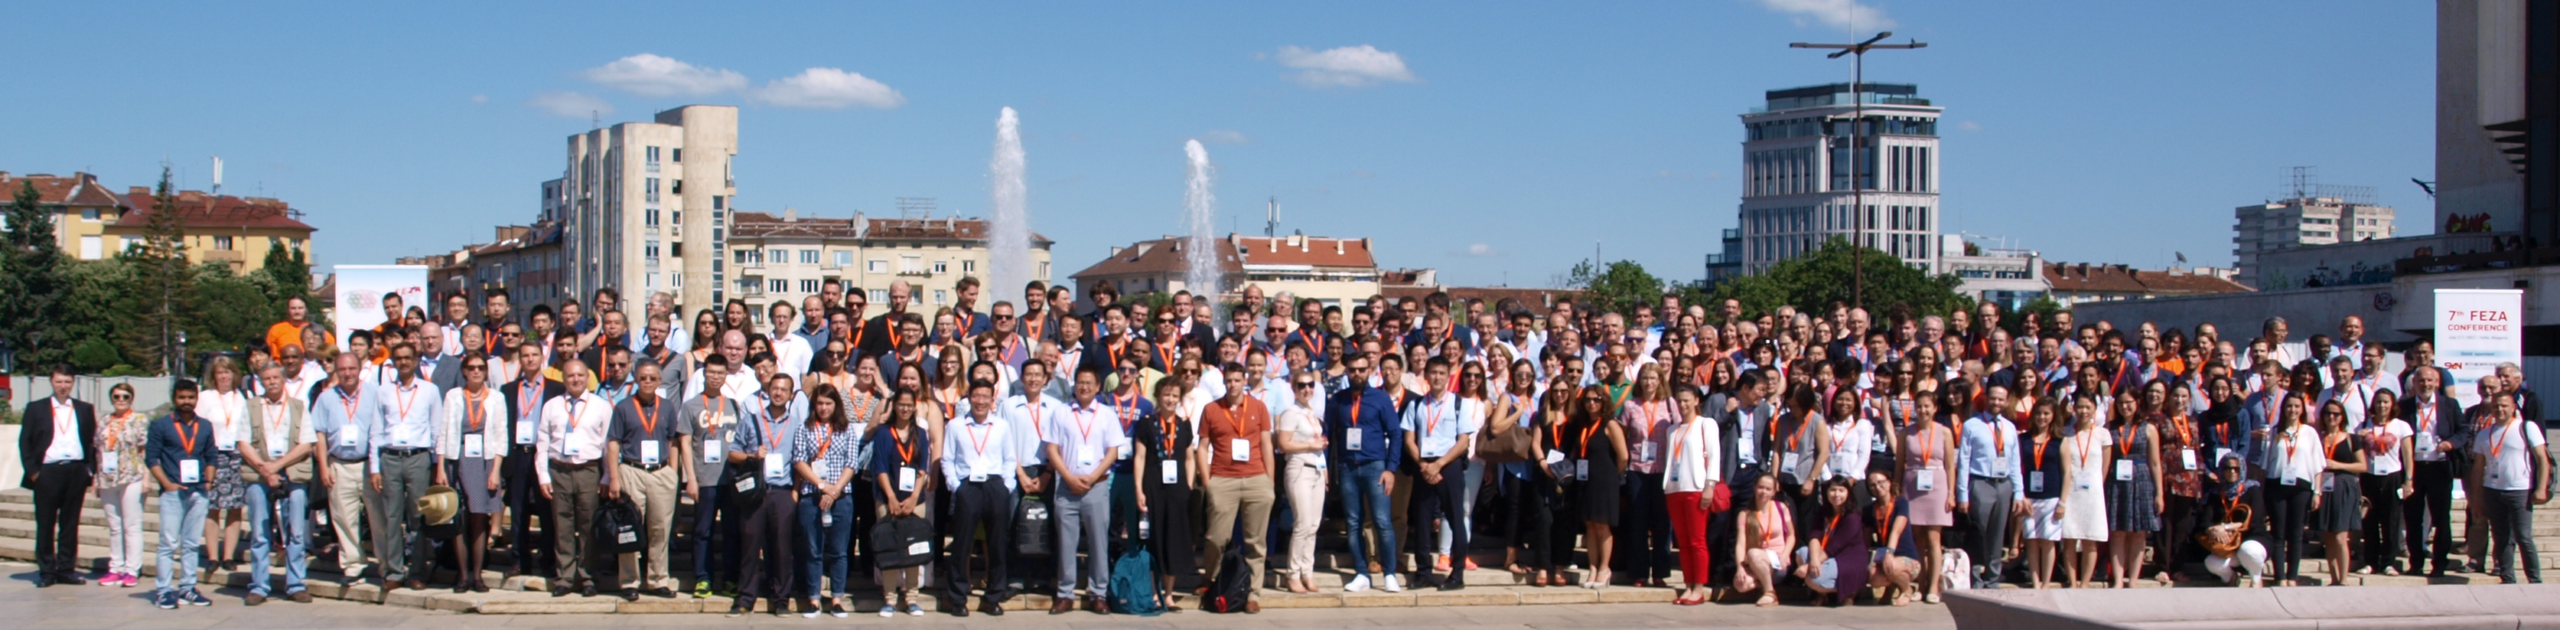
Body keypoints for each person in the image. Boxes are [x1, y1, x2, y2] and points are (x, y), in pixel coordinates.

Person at [1046, 366, 1129, 614]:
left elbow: (1113, 451)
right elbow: (1052, 449)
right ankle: (1065, 593)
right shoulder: (1061, 412)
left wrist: (1092, 477)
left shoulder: (1106, 414)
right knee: (1066, 543)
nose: (1084, 387)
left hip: (1097, 485)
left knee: (1098, 541)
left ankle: (1098, 593)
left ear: (1097, 387)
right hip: (1066, 486)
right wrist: (1068, 477)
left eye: (1089, 383)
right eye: (1080, 382)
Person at [606, 361, 689, 600]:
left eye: (653, 378)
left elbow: (673, 441)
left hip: (660, 472)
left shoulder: (668, 407)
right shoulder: (623, 407)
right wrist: (614, 477)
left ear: (659, 381)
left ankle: (658, 579)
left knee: (660, 529)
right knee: (630, 527)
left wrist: (673, 473)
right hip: (632, 470)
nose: (648, 382)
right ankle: (629, 581)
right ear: (636, 379)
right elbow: (613, 443)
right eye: (643, 377)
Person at [940, 378, 1021, 617]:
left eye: (986, 397)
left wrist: (1006, 486)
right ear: (969, 398)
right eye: (976, 396)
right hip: (967, 486)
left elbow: (1009, 459)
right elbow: (947, 459)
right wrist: (956, 487)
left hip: (995, 485)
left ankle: (993, 597)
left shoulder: (1001, 426)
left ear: (992, 400)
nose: (981, 401)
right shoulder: (956, 426)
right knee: (961, 544)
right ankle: (958, 598)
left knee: (997, 544)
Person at [369, 343, 443, 592]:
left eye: (408, 358)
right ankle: (394, 571)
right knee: (391, 517)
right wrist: (374, 467)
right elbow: (375, 430)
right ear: (393, 362)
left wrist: (436, 465)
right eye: (399, 358)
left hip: (418, 457)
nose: (403, 362)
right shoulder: (383, 391)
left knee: (418, 517)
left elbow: (436, 429)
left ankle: (417, 571)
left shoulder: (429, 390)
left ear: (416, 360)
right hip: (390, 457)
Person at [1328, 352, 1404, 593]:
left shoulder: (1380, 398)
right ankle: (1361, 573)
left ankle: (1389, 573)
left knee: (1382, 521)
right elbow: (1329, 435)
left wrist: (1391, 469)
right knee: (1353, 523)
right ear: (1347, 372)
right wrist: (1328, 469)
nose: (1357, 374)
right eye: (1352, 370)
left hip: (1375, 467)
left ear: (1370, 371)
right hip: (1348, 467)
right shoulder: (1338, 400)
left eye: (1361, 369)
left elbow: (1395, 434)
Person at [241, 363, 317, 604]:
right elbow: (243, 443)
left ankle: (296, 584)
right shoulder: (251, 406)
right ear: (261, 382)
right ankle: (259, 586)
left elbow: (306, 444)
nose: (272, 381)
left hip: (292, 473)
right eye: (267, 378)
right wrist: (266, 469)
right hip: (259, 474)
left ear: (283, 380)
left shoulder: (298, 406)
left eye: (275, 377)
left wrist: (278, 466)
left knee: (296, 532)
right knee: (259, 532)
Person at [537, 360, 613, 597]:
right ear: (564, 379)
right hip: (559, 471)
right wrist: (543, 475)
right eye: (571, 376)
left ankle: (588, 576)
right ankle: (565, 577)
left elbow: (608, 445)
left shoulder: (601, 406)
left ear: (587, 377)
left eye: (580, 375)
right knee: (563, 526)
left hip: (588, 471)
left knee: (588, 525)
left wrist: (607, 476)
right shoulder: (552, 406)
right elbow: (542, 442)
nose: (576, 379)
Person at [729, 372, 801, 617]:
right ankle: (745, 598)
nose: (778, 393)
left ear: (791, 395)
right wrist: (752, 455)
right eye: (775, 388)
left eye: (784, 389)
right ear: (768, 391)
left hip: (782, 491)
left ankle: (781, 599)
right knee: (750, 545)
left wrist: (795, 491)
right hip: (755, 491)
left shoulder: (797, 424)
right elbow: (733, 453)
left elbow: (801, 461)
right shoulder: (751, 420)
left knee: (782, 548)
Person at [1401, 357, 1475, 591]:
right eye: (1433, 372)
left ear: (1448, 376)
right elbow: (1409, 439)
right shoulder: (1416, 405)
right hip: (1424, 464)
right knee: (1422, 520)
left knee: (1455, 518)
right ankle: (1423, 572)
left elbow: (1463, 441)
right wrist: (1424, 464)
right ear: (1426, 375)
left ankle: (1457, 574)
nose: (1437, 377)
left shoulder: (1459, 404)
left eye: (1442, 373)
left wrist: (1440, 464)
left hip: (1449, 464)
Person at [19, 366, 96, 588]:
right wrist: (33, 471)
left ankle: (66, 569)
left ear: (73, 383)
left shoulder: (84, 409)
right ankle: (47, 571)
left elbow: (91, 440)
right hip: (48, 471)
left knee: (70, 523)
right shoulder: (36, 408)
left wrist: (89, 469)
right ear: (51, 382)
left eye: (67, 382)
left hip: (75, 470)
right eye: (59, 381)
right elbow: (25, 441)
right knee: (45, 523)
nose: (63, 386)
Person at [436, 351, 506, 594]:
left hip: (484, 461)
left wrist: (496, 470)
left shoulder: (496, 398)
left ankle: (477, 575)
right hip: (459, 459)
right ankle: (463, 576)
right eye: (471, 367)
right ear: (464, 371)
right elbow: (444, 431)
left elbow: (501, 435)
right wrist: (441, 466)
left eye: (480, 367)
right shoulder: (454, 396)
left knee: (479, 518)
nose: (476, 371)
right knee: (459, 519)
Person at [792, 381, 862, 618]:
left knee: (839, 550)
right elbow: (799, 461)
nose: (823, 408)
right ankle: (814, 599)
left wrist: (834, 491)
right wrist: (822, 486)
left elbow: (852, 463)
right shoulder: (804, 429)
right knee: (813, 550)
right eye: (820, 403)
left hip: (841, 497)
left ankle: (836, 598)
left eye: (828, 403)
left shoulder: (846, 429)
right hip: (812, 494)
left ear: (836, 405)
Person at [310, 353, 378, 586]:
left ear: (359, 369)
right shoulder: (326, 398)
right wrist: (323, 466)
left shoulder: (374, 393)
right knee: (344, 518)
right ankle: (353, 565)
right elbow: (319, 434)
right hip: (338, 464)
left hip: (369, 464)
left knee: (378, 518)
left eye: (351, 368)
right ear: (336, 371)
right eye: (342, 369)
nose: (347, 373)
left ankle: (386, 564)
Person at [148, 379, 217, 609]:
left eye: (190, 397)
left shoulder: (205, 426)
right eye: (181, 397)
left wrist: (209, 481)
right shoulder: (161, 425)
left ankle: (188, 587)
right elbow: (151, 458)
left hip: (198, 491)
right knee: (168, 543)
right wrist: (166, 484)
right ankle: (164, 590)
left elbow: (211, 455)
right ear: (174, 398)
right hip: (173, 491)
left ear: (197, 398)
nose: (186, 401)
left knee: (191, 543)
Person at [684, 355, 747, 598]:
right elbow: (685, 443)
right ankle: (703, 578)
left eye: (720, 373)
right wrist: (690, 478)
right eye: (711, 372)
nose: (715, 377)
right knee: (703, 531)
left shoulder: (733, 405)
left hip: (729, 479)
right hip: (704, 478)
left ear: (725, 376)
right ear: (704, 374)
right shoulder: (691, 406)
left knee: (732, 531)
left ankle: (730, 578)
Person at [1134, 378, 1199, 610]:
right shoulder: (1147, 423)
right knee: (1155, 538)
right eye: (1166, 395)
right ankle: (1154, 592)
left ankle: (1169, 594)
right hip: (1153, 486)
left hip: (1177, 488)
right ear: (1158, 396)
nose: (1170, 400)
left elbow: (1190, 458)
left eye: (1174, 396)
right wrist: (1139, 489)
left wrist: (1188, 485)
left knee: (1174, 540)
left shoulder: (1184, 424)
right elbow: (1140, 457)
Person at [2470, 393, 2548, 583]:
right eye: (2496, 406)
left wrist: (2541, 488)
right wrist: (2476, 499)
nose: (2500, 409)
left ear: (2513, 407)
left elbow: (2542, 459)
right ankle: (2507, 578)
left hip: (2520, 489)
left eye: (2505, 406)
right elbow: (2478, 469)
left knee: (2523, 536)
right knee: (2501, 537)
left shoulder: (2526, 427)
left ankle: (2535, 580)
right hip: (2492, 490)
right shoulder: (2484, 434)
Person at [501, 342, 563, 579]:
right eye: (525, 355)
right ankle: (519, 560)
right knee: (518, 510)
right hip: (518, 453)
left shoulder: (555, 388)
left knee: (546, 510)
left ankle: (548, 560)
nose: (530, 359)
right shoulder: (508, 389)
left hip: (543, 453)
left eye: (534, 355)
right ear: (520, 359)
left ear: (542, 357)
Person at [871, 389, 935, 616]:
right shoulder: (884, 432)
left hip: (914, 499)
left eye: (909, 405)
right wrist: (890, 497)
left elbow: (923, 467)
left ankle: (911, 598)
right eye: (901, 404)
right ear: (894, 406)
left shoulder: (920, 433)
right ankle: (890, 598)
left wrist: (914, 497)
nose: (905, 409)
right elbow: (879, 467)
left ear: (914, 406)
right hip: (887, 498)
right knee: (889, 548)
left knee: (913, 549)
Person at [2401, 368, 2467, 577]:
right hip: (2414, 468)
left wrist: (2451, 443)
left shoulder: (2449, 405)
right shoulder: (2404, 406)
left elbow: (2464, 431)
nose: (2426, 384)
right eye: (2421, 380)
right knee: (2413, 519)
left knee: (2441, 518)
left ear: (2437, 383)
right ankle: (2416, 563)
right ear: (2414, 383)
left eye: (2430, 380)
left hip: (2440, 467)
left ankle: (2440, 564)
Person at [1615, 363, 1676, 588]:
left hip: (1662, 470)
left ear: (1660, 380)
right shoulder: (1631, 405)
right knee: (1638, 522)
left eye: (1653, 378)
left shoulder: (1670, 405)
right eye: (1645, 378)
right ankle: (1639, 572)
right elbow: (1621, 434)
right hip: (1637, 469)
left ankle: (1660, 572)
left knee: (1662, 522)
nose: (1649, 382)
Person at [1662, 386, 1721, 606]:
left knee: (1697, 540)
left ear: (1696, 401)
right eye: (1679, 401)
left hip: (1696, 487)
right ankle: (1688, 585)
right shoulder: (1672, 429)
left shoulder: (1706, 424)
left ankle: (1699, 587)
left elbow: (1714, 456)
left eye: (1687, 400)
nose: (1683, 405)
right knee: (1683, 541)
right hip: (1675, 488)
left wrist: (1710, 485)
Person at [1274, 370, 1330, 595]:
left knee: (1314, 525)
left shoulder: (1312, 412)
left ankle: (1307, 571)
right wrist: (1310, 446)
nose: (1307, 389)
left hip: (1316, 469)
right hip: (1299, 469)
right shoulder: (1291, 412)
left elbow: (1317, 444)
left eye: (1310, 385)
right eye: (1302, 385)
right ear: (1294, 388)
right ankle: (1293, 573)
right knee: (1303, 523)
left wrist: (1324, 468)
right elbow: (1283, 444)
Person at [1900, 389, 1958, 601]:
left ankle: (1933, 587)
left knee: (1934, 538)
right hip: (1912, 485)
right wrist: (1897, 487)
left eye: (1927, 406)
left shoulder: (1944, 432)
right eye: (1919, 406)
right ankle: (1921, 585)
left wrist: (1951, 493)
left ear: (1935, 408)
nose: (1923, 410)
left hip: (1937, 484)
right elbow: (1899, 463)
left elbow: (1950, 465)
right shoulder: (1906, 432)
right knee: (1917, 538)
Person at [1568, 384, 1629, 589]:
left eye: (1596, 399)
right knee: (1590, 525)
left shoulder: (1610, 424)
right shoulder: (1584, 425)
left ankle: (1604, 568)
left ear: (1604, 402)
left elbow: (1623, 456)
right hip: (1586, 480)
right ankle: (1593, 568)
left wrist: (1613, 474)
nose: (1592, 403)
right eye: (1588, 400)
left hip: (1605, 481)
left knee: (1603, 525)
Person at [2261, 392, 2323, 587]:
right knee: (2278, 532)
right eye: (2289, 406)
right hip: (2276, 485)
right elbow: (2265, 463)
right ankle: (2280, 576)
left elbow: (2318, 465)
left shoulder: (2310, 433)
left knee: (2296, 534)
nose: (2293, 410)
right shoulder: (2275, 432)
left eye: (2297, 406)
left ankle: (2292, 576)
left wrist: (2317, 491)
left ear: (2302, 409)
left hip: (2301, 487)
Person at [92, 383, 150, 588]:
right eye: (116, 396)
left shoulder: (139, 419)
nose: (120, 400)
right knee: (115, 526)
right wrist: (95, 478)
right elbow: (98, 449)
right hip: (107, 477)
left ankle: (132, 569)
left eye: (125, 396)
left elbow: (143, 449)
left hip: (131, 475)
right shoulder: (104, 421)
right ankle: (115, 567)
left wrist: (146, 477)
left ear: (131, 399)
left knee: (131, 525)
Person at [199, 358, 252, 575]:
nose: (224, 376)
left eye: (228, 372)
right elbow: (200, 427)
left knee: (234, 507)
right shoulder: (205, 397)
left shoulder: (244, 397)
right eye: (220, 372)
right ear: (214, 376)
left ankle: (229, 555)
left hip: (237, 456)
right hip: (213, 455)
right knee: (212, 507)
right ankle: (212, 556)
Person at [2104, 393, 2162, 589]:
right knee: (2117, 531)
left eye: (2128, 402)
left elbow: (2155, 462)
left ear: (2137, 403)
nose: (2124, 407)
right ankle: (2118, 579)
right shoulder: (2110, 428)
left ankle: (2134, 579)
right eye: (2121, 403)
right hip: (2117, 481)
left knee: (2139, 532)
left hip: (2141, 479)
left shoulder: (2148, 428)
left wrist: (2159, 493)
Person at [2356, 389, 2413, 575]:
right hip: (2369, 477)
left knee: (2391, 521)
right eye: (2379, 402)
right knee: (2369, 521)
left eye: (2386, 402)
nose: (2382, 405)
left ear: (2392, 405)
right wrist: (2359, 437)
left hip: (2392, 476)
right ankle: (2370, 562)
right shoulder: (2365, 425)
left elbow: (2407, 455)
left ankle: (2389, 562)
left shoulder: (2401, 426)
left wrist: (2408, 480)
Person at [2059, 395, 2112, 588]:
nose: (2083, 411)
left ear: (2095, 409)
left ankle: (2085, 583)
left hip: (2093, 491)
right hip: (2071, 490)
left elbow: (2105, 466)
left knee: (2090, 538)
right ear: (2074, 409)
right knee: (2070, 537)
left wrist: (2096, 484)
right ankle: (2073, 582)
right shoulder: (2066, 432)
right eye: (2080, 407)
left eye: (2088, 407)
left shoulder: (2103, 434)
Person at [2313, 398, 2367, 586]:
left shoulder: (2351, 439)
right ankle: (2334, 578)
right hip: (2323, 486)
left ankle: (2344, 579)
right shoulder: (2318, 438)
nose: (2331, 417)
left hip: (2344, 487)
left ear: (2342, 416)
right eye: (2328, 413)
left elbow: (2362, 465)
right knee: (2328, 537)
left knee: (2340, 536)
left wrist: (2339, 465)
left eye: (2336, 414)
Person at [2201, 452, 2271, 587]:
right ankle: (2231, 578)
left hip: (2252, 539)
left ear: (2243, 470)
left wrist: (2226, 527)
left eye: (2236, 468)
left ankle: (2256, 580)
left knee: (2249, 550)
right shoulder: (2216, 493)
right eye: (2227, 468)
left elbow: (2255, 520)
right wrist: (2214, 530)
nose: (2232, 472)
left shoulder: (2252, 489)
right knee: (2211, 562)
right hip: (2228, 546)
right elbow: (2205, 522)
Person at [1797, 477, 1868, 607]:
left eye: (1841, 490)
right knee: (1801, 552)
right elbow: (1814, 536)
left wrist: (1808, 566)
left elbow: (1835, 547)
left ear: (1848, 493)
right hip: (1827, 554)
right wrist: (1813, 560)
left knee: (1813, 580)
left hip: (1848, 558)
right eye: (1833, 490)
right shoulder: (1823, 512)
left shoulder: (1852, 517)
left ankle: (1849, 592)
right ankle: (1822, 595)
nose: (1836, 494)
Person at [2019, 400, 2067, 588]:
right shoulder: (2024, 439)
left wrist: (2062, 502)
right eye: (2039, 413)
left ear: (2053, 416)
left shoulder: (2060, 441)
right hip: (2029, 497)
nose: (2042, 417)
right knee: (2031, 540)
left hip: (2051, 497)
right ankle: (2035, 581)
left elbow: (2067, 473)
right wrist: (2021, 496)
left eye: (2046, 413)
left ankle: (2046, 583)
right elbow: (2018, 468)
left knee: (2048, 541)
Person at [1728, 474, 1792, 607]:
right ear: (1754, 488)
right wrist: (1740, 568)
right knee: (1741, 585)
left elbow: (1792, 535)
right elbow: (1740, 544)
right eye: (1761, 487)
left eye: (1768, 489)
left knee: (1753, 553)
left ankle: (1769, 592)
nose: (1764, 492)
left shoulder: (1781, 508)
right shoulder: (1745, 514)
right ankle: (1763, 582)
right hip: (1756, 562)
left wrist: (1785, 555)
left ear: (1774, 492)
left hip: (1777, 561)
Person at [1867, 469, 1923, 606]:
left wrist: (1889, 552)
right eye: (1873, 485)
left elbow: (1896, 531)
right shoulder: (1869, 509)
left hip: (1905, 556)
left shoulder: (1901, 503)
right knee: (1873, 578)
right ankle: (1890, 589)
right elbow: (1866, 537)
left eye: (1881, 482)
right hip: (1883, 555)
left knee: (1891, 566)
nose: (1877, 487)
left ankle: (1907, 590)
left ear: (1889, 483)